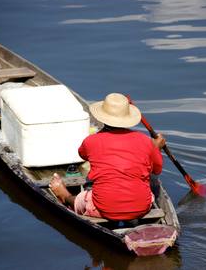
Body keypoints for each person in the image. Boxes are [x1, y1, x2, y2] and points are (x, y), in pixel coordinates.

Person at [50, 93, 165, 221]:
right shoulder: (145, 141)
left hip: (104, 209)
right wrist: (156, 149)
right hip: (142, 207)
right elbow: (157, 170)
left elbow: (82, 154)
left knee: (82, 198)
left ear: (102, 118)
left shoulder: (91, 141)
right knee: (149, 183)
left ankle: (64, 195)